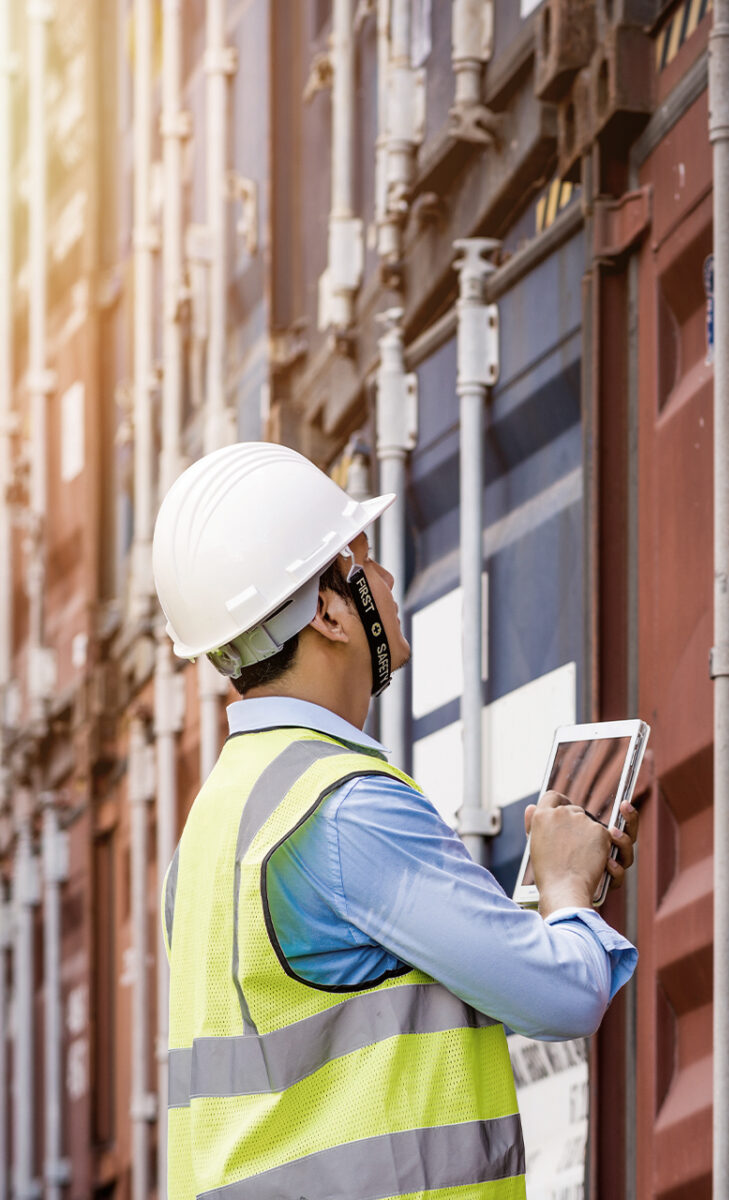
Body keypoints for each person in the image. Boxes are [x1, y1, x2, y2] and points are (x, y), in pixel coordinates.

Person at [153, 441, 637, 1200]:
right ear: (329, 613)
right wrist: (569, 890)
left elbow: (356, 1021)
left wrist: (544, 899)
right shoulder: (345, 805)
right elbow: (563, 996)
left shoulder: (214, 823)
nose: (385, 578)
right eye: (365, 560)